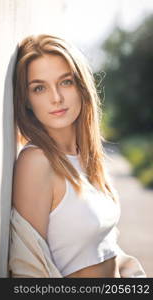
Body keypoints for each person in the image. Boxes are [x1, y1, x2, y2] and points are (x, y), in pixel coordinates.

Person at [8, 34, 146, 278]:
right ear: (27, 101)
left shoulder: (86, 157)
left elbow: (100, 248)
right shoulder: (36, 162)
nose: (56, 98)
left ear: (81, 86)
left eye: (65, 82)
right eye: (39, 88)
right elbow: (28, 271)